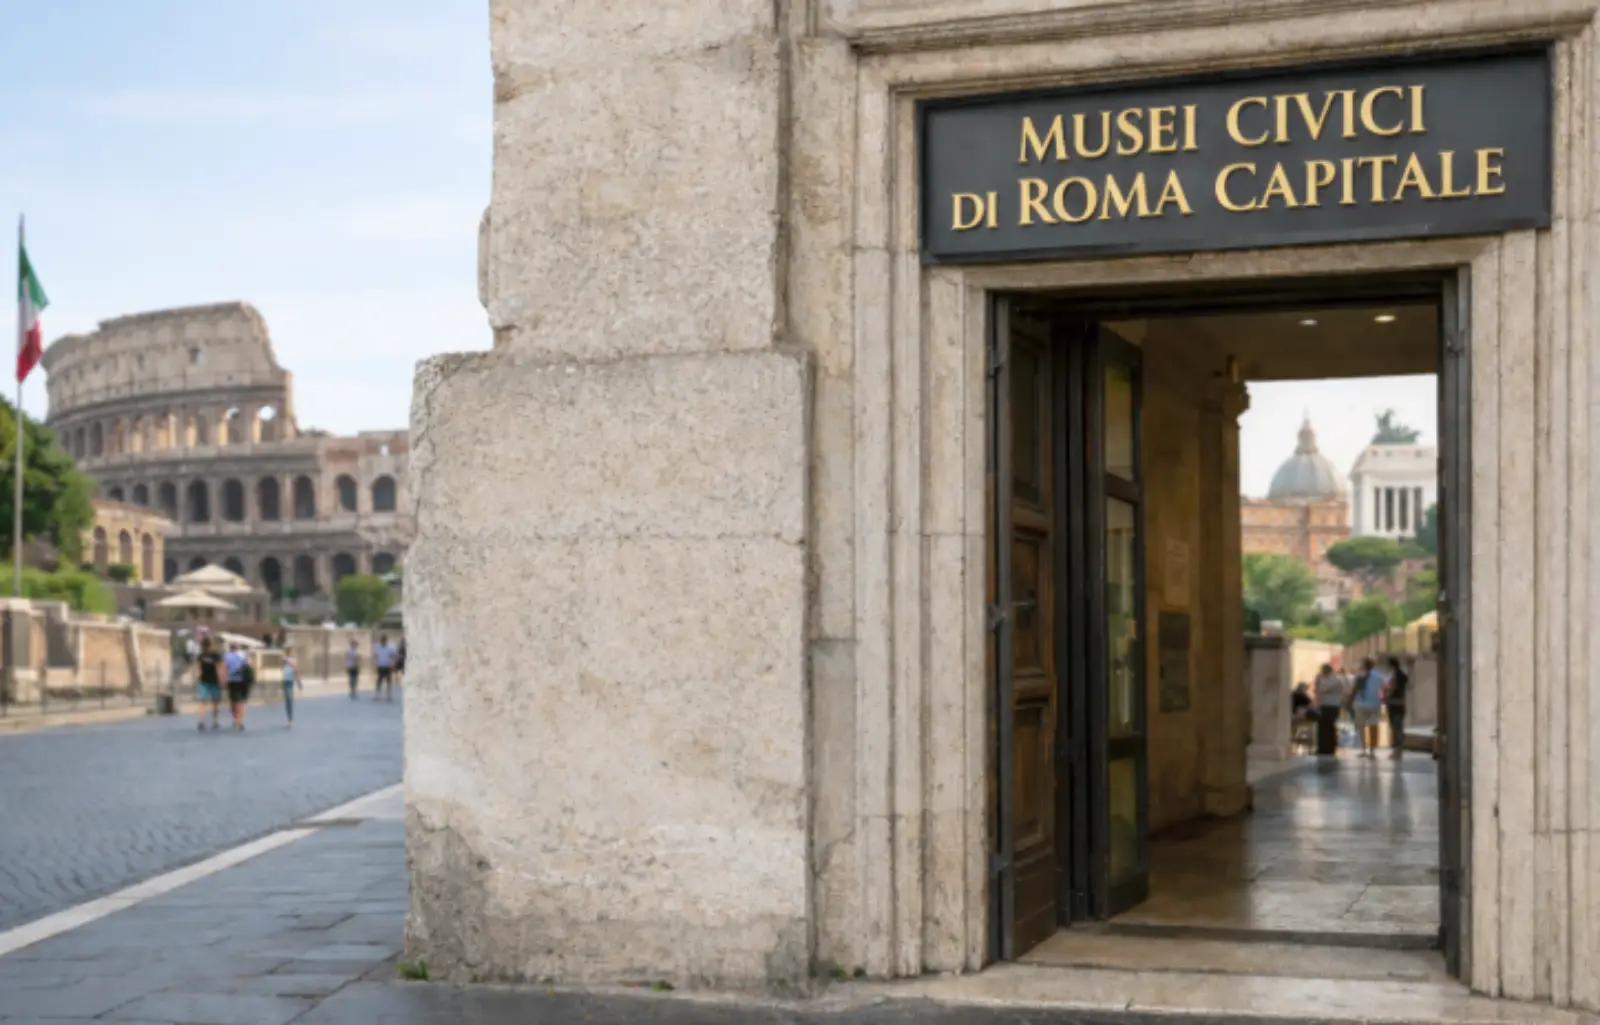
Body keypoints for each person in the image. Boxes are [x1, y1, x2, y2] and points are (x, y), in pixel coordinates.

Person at [1351, 657, 1386, 758]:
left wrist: (1350, 700)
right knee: (1373, 726)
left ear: (1363, 665)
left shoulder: (1359, 675)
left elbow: (1354, 689)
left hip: (1360, 704)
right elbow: (1384, 687)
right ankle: (1372, 750)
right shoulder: (1379, 676)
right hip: (1374, 704)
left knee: (1361, 727)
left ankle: (1363, 749)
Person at [1312, 663, 1345, 756]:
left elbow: (1321, 690)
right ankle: (1329, 747)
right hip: (1333, 705)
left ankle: (1324, 748)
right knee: (1329, 727)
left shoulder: (1328, 680)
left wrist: (1318, 683)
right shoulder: (1337, 679)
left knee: (1325, 727)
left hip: (1327, 705)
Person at [1384, 656, 1410, 760]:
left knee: (1395, 727)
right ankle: (1399, 750)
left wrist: (1387, 696)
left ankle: (1397, 751)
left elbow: (1393, 687)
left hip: (1393, 703)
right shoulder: (1402, 675)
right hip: (1401, 702)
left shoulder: (1394, 675)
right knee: (1399, 727)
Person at [195, 637, 223, 732]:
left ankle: (204, 721)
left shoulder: (202, 655)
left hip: (207, 681)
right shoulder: (214, 655)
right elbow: (219, 668)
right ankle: (213, 721)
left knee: (204, 702)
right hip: (210, 681)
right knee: (213, 702)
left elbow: (198, 668)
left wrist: (197, 677)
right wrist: (221, 679)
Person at [224, 643, 251, 731]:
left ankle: (235, 717)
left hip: (232, 680)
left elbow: (225, 667)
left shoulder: (227, 656)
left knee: (233, 700)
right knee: (241, 701)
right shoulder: (243, 655)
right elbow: (249, 665)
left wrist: (224, 679)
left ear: (230, 648)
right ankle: (239, 719)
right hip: (242, 681)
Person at [282, 646, 301, 729]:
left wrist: (299, 682)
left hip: (289, 681)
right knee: (287, 701)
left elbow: (296, 670)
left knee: (289, 701)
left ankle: (290, 720)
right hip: (284, 681)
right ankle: (289, 719)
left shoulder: (292, 660)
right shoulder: (282, 660)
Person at [373, 634, 397, 702]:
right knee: (379, 680)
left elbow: (393, 655)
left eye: (384, 640)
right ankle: (377, 694)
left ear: (386, 640)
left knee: (388, 680)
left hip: (387, 665)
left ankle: (388, 695)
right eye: (382, 640)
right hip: (380, 665)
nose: (383, 641)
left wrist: (392, 664)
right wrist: (376, 662)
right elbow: (375, 655)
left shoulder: (390, 647)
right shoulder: (377, 647)